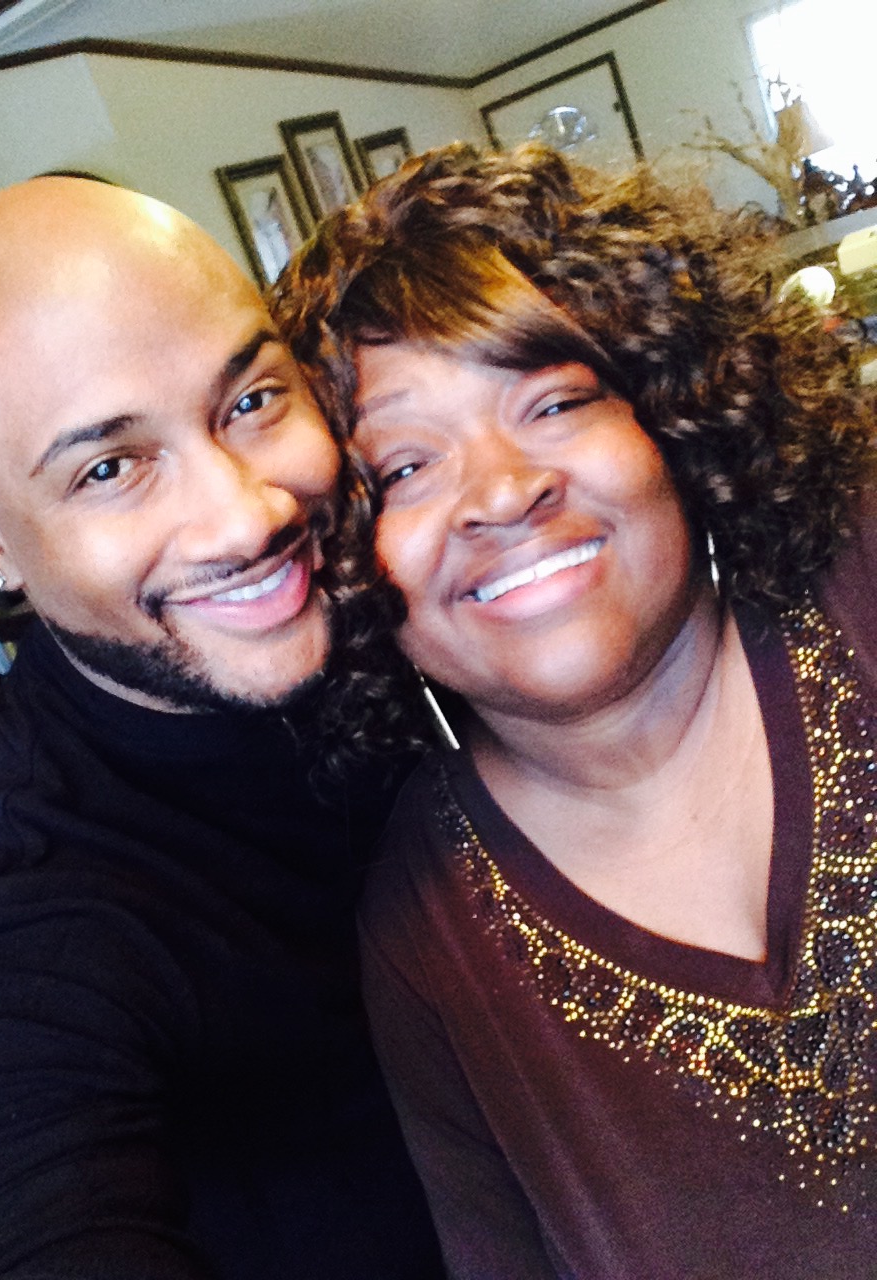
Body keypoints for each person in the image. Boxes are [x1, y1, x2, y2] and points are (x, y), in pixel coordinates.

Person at [273, 142, 877, 1278]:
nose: (504, 490)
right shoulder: (420, 941)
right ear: (341, 560)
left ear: (673, 416)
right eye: (404, 470)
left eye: (552, 403)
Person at [0, 178, 442, 1279]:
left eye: (250, 400)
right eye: (109, 468)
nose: (248, 514)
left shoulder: (416, 594)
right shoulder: (18, 926)